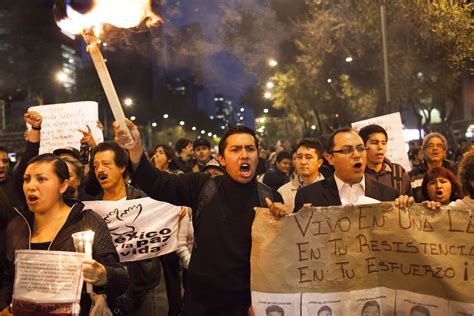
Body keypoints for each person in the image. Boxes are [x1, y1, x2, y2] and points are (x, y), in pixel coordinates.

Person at [114, 121, 284, 315]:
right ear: (221, 158)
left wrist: (283, 223)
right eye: (235, 149)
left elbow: (279, 261)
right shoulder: (203, 186)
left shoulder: (270, 198)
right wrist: (135, 148)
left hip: (248, 306)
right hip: (201, 304)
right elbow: (158, 183)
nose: (244, 154)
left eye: (250, 149)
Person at [0, 154, 128, 314]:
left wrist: (103, 274)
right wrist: (4, 307)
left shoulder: (87, 221)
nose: (31, 186)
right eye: (27, 179)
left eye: (41, 179)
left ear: (63, 185)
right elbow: (7, 278)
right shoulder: (16, 227)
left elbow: (122, 280)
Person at [88, 141, 163, 315]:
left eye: (106, 164)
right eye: (96, 165)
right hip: (110, 291)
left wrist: (176, 212)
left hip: (143, 287)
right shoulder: (92, 209)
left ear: (122, 167)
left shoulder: (143, 200)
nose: (100, 170)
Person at [294, 128, 399, 211]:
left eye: (360, 149)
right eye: (347, 150)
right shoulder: (308, 196)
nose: (356, 155)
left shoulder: (389, 196)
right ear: (330, 158)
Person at [358, 124, 412, 196]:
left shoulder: (399, 173)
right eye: (374, 143)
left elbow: (411, 204)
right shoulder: (356, 174)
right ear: (363, 146)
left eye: (383, 143)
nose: (380, 147)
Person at [278, 138, 325, 211]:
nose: (303, 162)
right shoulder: (283, 192)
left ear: (319, 162)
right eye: (299, 157)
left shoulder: (331, 190)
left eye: (308, 157)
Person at [409, 132, 456, 202]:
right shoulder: (412, 176)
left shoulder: (454, 172)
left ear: (444, 152)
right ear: (424, 151)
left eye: (439, 146)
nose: (435, 148)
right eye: (430, 146)